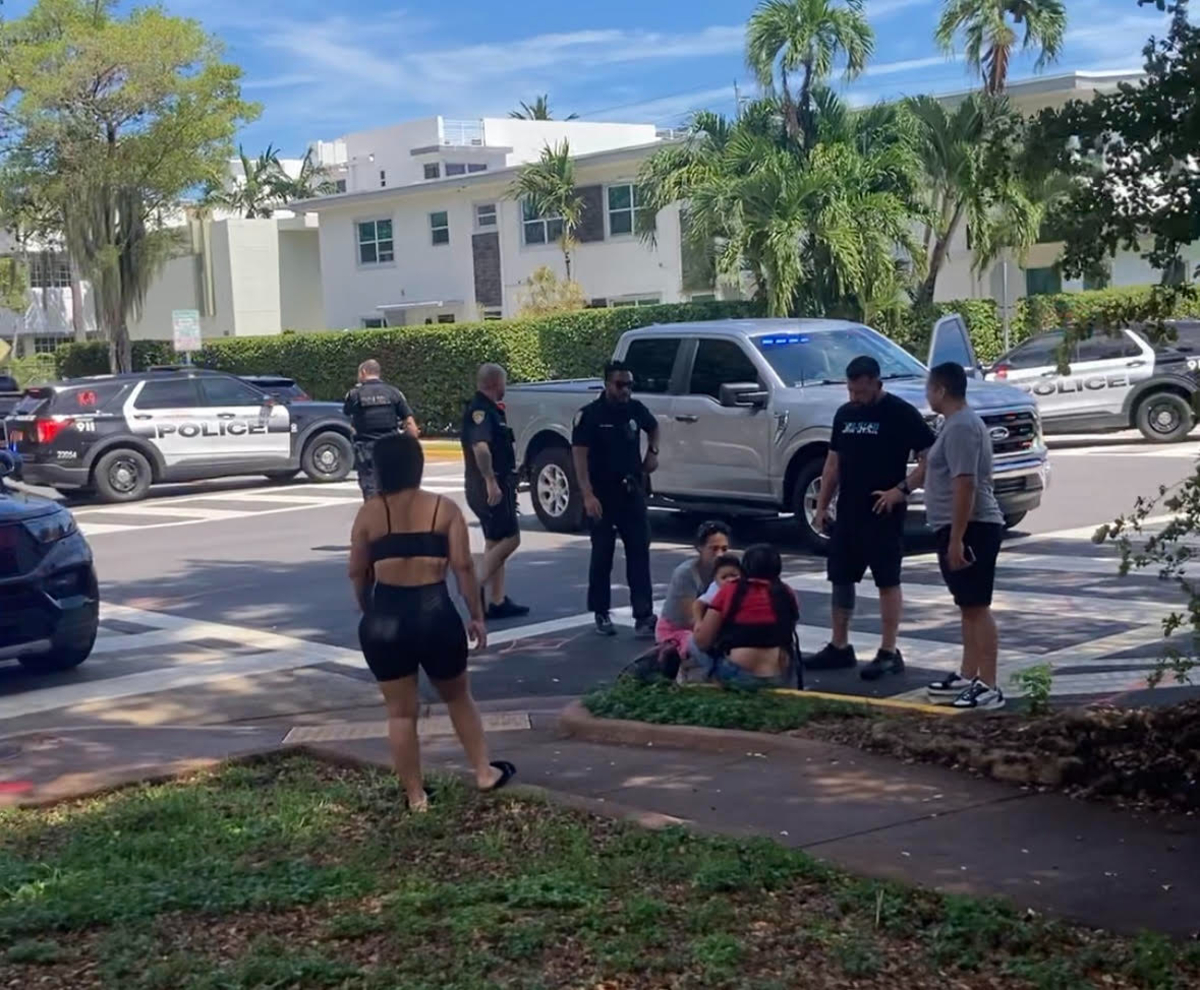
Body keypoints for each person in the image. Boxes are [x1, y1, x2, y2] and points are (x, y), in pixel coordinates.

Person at [348, 432, 515, 810]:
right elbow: (462, 567)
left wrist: (367, 607)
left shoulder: (369, 513)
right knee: (458, 696)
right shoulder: (444, 509)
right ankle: (484, 772)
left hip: (385, 617)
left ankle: (416, 797)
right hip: (434, 612)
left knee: (401, 713)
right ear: (417, 465)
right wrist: (476, 615)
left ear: (381, 469)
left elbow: (357, 572)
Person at [810, 355, 936, 681]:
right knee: (840, 576)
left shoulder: (899, 413)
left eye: (861, 392)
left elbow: (930, 458)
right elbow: (832, 464)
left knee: (887, 579)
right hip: (848, 511)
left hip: (883, 511)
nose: (856, 398)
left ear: (876, 383)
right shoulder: (845, 415)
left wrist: (902, 489)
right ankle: (839, 645)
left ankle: (889, 651)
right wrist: (822, 506)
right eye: (851, 392)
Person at [920, 362, 1007, 710]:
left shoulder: (961, 427)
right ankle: (969, 673)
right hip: (958, 527)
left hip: (974, 528)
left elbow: (965, 483)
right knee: (967, 606)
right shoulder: (954, 425)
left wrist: (957, 538)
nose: (927, 395)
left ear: (941, 390)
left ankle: (989, 683)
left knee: (977, 606)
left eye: (929, 388)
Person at [571, 360, 660, 638]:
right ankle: (601, 612)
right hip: (602, 495)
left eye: (629, 385)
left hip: (631, 492)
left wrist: (653, 452)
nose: (626, 390)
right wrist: (587, 494)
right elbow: (579, 457)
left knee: (639, 554)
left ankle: (644, 615)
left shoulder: (635, 409)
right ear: (607, 384)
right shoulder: (590, 415)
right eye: (620, 385)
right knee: (602, 555)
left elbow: (653, 426)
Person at [461, 363, 528, 620]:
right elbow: (480, 447)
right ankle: (475, 585)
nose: (505, 388)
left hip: (495, 484)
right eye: (503, 383)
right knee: (511, 539)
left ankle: (497, 601)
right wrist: (491, 480)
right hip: (489, 486)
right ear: (495, 383)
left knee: (495, 540)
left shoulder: (489, 410)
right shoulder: (481, 411)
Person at [693, 544, 799, 690]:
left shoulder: (730, 590)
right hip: (779, 675)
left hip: (740, 674)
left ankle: (715, 686)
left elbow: (703, 641)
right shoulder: (787, 593)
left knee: (692, 642)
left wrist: (699, 624)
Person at [343, 359, 419, 501]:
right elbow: (410, 424)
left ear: (363, 372)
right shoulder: (394, 392)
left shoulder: (354, 394)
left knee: (371, 489)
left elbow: (347, 414)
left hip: (367, 450)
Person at [655, 520, 731, 654]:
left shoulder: (727, 571)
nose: (720, 554)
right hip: (677, 630)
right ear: (700, 548)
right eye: (714, 548)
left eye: (724, 549)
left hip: (709, 625)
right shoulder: (686, 573)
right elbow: (689, 619)